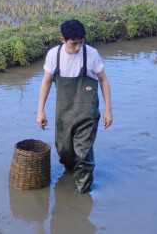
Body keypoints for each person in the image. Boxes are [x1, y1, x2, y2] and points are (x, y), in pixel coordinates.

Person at [36, 19, 113, 193]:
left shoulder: (91, 54)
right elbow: (47, 82)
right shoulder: (54, 55)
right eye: (74, 44)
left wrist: (108, 110)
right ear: (63, 39)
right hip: (63, 114)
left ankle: (82, 195)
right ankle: (72, 172)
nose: (78, 47)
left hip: (87, 114)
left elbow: (103, 80)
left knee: (84, 155)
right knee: (65, 152)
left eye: (81, 42)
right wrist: (40, 111)